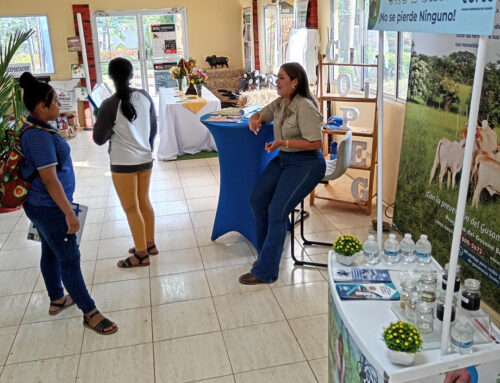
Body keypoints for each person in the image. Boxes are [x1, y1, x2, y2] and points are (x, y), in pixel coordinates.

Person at [19, 72, 117, 335]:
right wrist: (68, 214)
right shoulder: (38, 137)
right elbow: (50, 181)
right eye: (53, 101)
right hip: (50, 208)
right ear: (41, 106)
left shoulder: (35, 127)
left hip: (40, 206)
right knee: (69, 257)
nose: (58, 105)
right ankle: (90, 313)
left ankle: (57, 299)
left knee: (49, 251)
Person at [239, 62, 326, 285]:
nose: (276, 82)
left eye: (281, 78)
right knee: (257, 199)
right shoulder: (281, 102)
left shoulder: (305, 106)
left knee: (277, 211)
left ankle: (267, 271)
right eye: (277, 77)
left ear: (295, 82)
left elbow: (316, 142)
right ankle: (264, 256)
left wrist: (282, 142)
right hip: (286, 159)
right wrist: (254, 118)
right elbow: (261, 114)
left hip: (307, 164)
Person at [93, 57, 158, 268]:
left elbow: (98, 139)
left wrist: (111, 128)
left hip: (123, 164)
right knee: (144, 202)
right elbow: (153, 128)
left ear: (110, 77)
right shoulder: (145, 96)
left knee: (131, 207)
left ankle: (140, 255)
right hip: (145, 159)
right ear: (132, 75)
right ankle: (149, 244)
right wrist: (144, 146)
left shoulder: (108, 104)